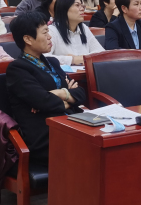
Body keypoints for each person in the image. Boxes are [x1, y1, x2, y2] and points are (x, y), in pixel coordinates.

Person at [6, 11, 86, 162]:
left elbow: (81, 93)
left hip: (71, 123)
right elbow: (43, 101)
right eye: (44, 32)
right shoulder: (17, 69)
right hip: (45, 135)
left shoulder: (53, 63)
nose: (50, 37)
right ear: (28, 39)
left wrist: (59, 94)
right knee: (94, 147)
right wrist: (68, 97)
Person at [49, 0, 104, 66]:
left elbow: (100, 52)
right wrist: (72, 60)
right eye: (77, 5)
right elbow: (44, 57)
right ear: (64, 9)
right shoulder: (52, 31)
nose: (82, 9)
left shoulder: (84, 28)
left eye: (82, 6)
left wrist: (82, 58)